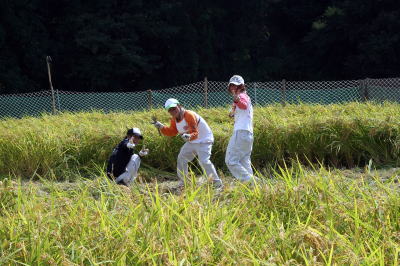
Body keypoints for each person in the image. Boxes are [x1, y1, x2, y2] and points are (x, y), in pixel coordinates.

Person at [153, 98, 223, 189]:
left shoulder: (189, 115)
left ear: (179, 106)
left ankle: (217, 184)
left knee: (203, 161)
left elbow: (195, 132)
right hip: (192, 142)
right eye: (170, 110)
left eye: (174, 108)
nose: (173, 111)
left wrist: (189, 136)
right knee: (181, 158)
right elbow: (172, 132)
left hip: (204, 140)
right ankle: (185, 182)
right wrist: (161, 127)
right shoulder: (174, 120)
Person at [225, 75, 254, 183]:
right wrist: (233, 110)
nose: (233, 87)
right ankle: (254, 189)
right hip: (247, 134)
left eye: (235, 85)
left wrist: (237, 100)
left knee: (230, 161)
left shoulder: (242, 96)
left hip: (241, 132)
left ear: (241, 86)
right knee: (244, 161)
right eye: (231, 85)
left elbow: (244, 105)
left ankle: (252, 181)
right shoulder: (243, 97)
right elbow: (234, 113)